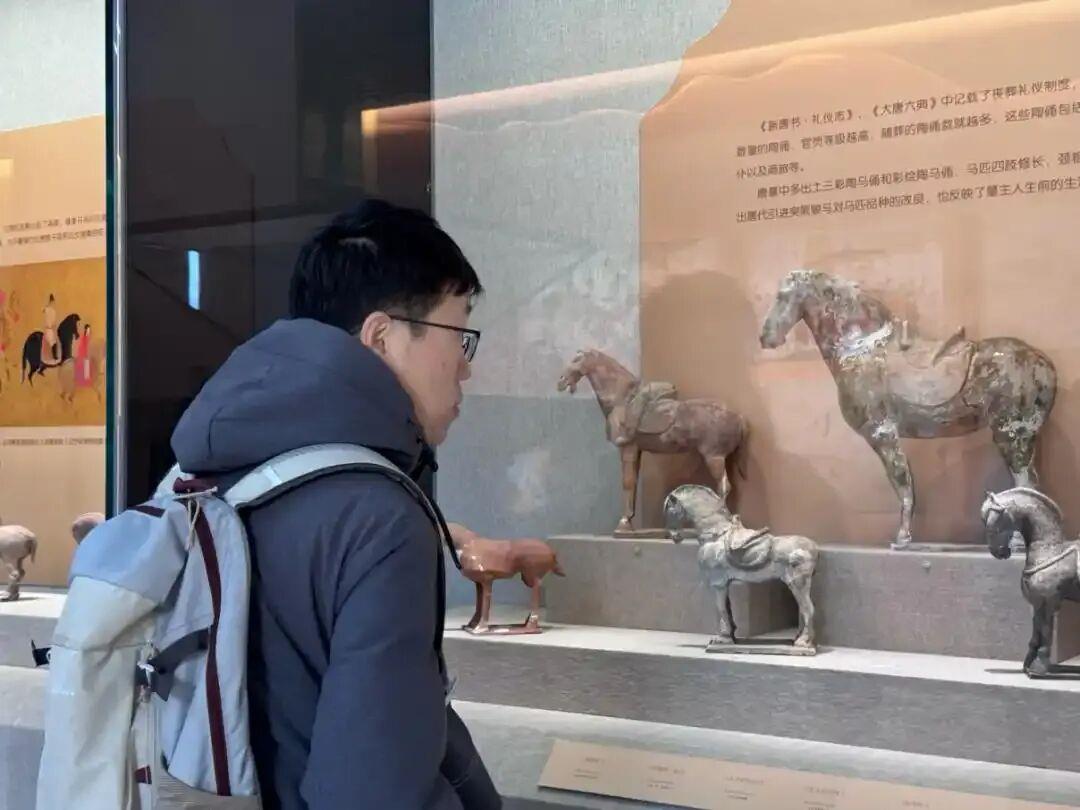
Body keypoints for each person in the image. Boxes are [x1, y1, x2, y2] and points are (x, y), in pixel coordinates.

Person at [170, 199, 499, 809]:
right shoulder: (378, 519)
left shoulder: (200, 474)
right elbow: (372, 791)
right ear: (381, 336)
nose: (465, 368)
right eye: (460, 335)